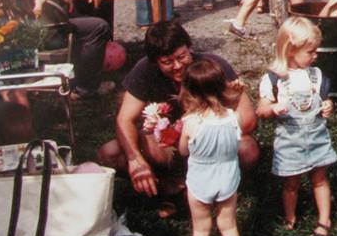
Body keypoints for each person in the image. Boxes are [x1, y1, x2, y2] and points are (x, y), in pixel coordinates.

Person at [97, 20, 259, 216]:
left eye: (182, 57)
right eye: (167, 62)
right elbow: (124, 120)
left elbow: (249, 119)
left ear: (189, 48)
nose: (177, 66)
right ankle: (169, 187)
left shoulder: (211, 66)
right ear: (154, 61)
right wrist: (135, 160)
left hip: (209, 149)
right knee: (110, 153)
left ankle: (220, 189)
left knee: (247, 149)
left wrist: (207, 133)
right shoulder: (144, 70)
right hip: (167, 148)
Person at [257, 17, 337, 236]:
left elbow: (323, 100)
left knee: (320, 179)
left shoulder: (316, 75)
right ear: (291, 50)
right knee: (291, 183)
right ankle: (290, 218)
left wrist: (327, 105)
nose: (315, 55)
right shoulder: (274, 79)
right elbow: (261, 110)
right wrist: (273, 108)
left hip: (316, 135)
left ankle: (324, 219)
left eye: (315, 50)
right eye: (310, 52)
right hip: (289, 138)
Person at [178, 58, 244, 236]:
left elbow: (183, 151)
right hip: (227, 176)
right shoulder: (233, 118)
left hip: (200, 179)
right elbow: (236, 144)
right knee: (228, 225)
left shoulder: (191, 122)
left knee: (201, 229)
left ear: (191, 91)